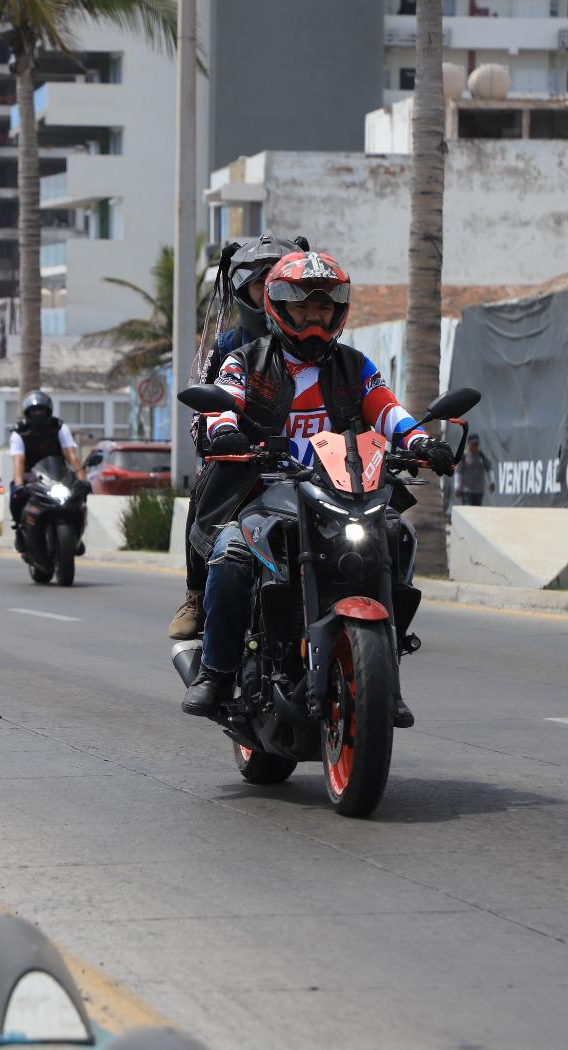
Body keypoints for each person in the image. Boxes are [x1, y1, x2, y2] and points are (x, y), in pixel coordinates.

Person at [180, 250, 456, 723]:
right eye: (304, 305)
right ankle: (217, 672)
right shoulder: (247, 360)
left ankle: (384, 672)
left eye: (325, 306)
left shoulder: (355, 366)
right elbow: (224, 401)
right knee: (231, 554)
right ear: (280, 307)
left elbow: (389, 411)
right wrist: (225, 428)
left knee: (397, 537)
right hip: (266, 493)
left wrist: (422, 441)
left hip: (346, 494)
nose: (315, 315)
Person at [169, 234, 307, 641]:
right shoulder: (228, 346)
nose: (270, 292)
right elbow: (204, 413)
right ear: (243, 290)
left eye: (280, 282)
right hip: (244, 464)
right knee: (205, 498)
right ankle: (196, 597)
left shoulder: (329, 350)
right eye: (260, 283)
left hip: (311, 468)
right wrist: (221, 439)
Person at [7, 390, 84, 552]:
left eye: (41, 410)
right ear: (27, 413)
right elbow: (18, 462)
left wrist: (83, 479)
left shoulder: (59, 427)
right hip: (31, 477)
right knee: (15, 494)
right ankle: (20, 531)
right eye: (34, 411)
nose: (38, 414)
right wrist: (20, 484)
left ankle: (77, 534)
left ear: (48, 411)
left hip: (58, 475)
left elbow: (71, 456)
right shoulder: (19, 433)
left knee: (80, 494)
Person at [454, 436, 493, 506]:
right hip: (467, 492)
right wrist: (457, 487)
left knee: (476, 513)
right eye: (473, 444)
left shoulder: (481, 456)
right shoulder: (464, 456)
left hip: (479, 491)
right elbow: (458, 472)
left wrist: (492, 482)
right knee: (468, 512)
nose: (475, 446)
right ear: (469, 444)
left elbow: (489, 468)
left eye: (477, 444)